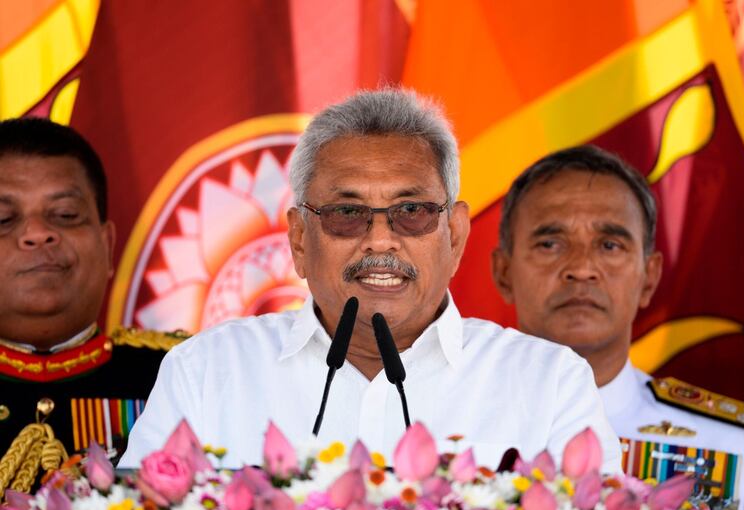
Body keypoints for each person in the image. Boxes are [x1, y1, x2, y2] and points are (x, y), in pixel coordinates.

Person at [120, 89, 621, 472]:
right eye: (346, 212)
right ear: (298, 239)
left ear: (456, 235)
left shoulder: (550, 382)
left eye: (412, 211)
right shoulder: (206, 371)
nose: (380, 240)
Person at [491, 145, 744, 510]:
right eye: (550, 243)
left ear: (649, 277)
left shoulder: (739, 449)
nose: (581, 268)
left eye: (610, 245)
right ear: (503, 272)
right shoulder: (432, 420)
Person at [0, 118, 185, 495]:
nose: (37, 233)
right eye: (4, 219)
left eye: (65, 215)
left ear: (108, 245)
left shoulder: (184, 374)